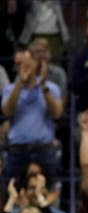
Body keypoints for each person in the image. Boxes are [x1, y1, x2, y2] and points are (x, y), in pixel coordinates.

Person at [1, 49, 62, 181]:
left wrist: (43, 87)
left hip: (44, 148)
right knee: (12, 190)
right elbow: (7, 111)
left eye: (25, 63)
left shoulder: (51, 88)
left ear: (35, 64)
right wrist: (19, 84)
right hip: (17, 149)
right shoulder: (9, 89)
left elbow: (57, 113)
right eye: (17, 64)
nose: (21, 68)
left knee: (51, 189)